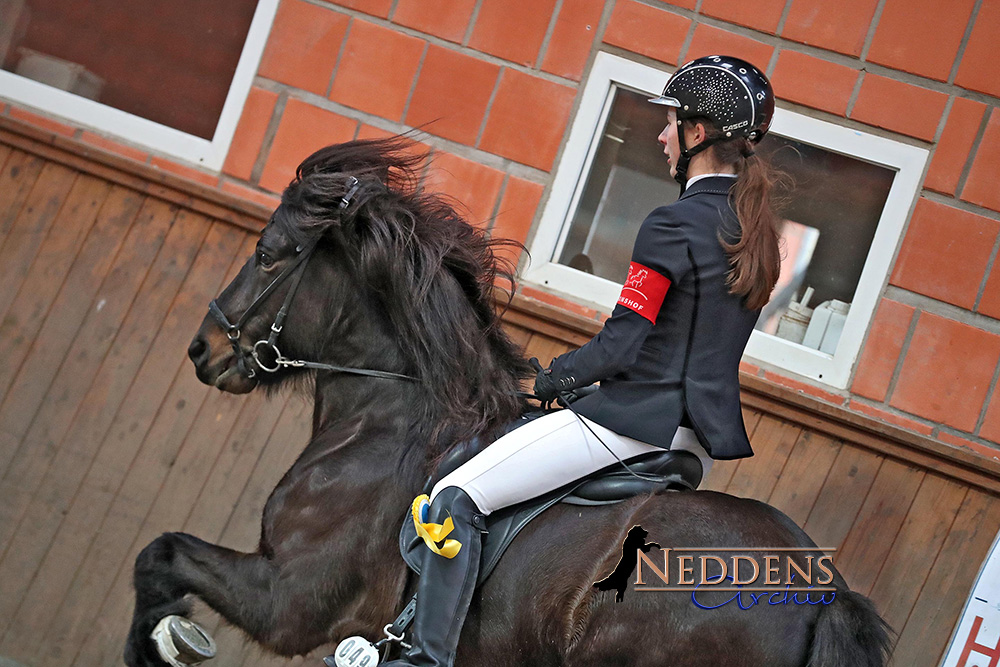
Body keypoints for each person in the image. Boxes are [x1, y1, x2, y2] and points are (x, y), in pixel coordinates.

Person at [381, 55, 782, 667]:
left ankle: (423, 659)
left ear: (699, 133)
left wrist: (554, 376)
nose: (663, 134)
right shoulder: (756, 235)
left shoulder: (672, 223)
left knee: (456, 497)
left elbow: (622, 345)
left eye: (673, 123)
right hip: (694, 442)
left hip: (630, 425)